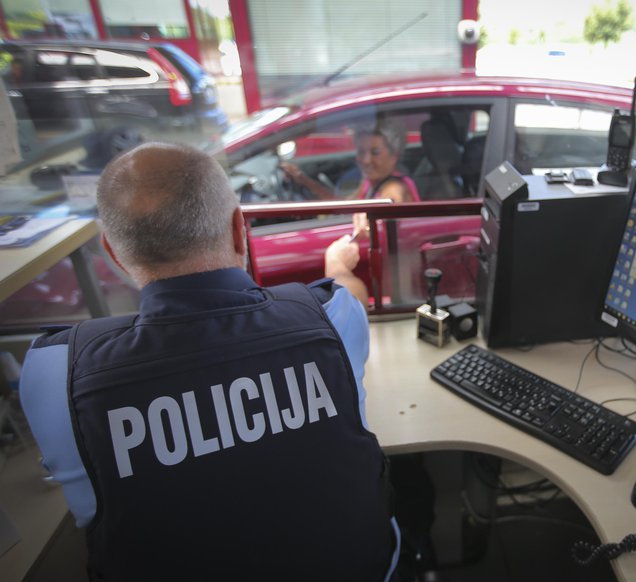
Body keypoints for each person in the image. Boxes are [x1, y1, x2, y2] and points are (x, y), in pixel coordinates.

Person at [18, 142, 398, 581]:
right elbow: (351, 297)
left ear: (115, 253)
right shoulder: (333, 316)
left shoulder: (55, 373)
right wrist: (339, 269)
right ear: (240, 230)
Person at [281, 117, 420, 204]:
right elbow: (344, 205)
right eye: (361, 151)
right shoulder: (370, 183)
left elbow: (388, 217)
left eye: (375, 152)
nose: (366, 160)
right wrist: (303, 180)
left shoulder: (393, 188)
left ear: (394, 155)